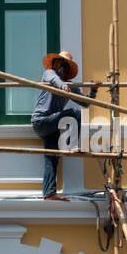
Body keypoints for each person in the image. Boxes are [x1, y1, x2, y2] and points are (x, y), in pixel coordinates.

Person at [30, 50, 100, 202]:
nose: (61, 68)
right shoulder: (48, 75)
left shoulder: (70, 86)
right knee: (75, 113)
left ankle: (49, 192)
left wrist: (93, 90)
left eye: (64, 66)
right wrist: (63, 87)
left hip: (53, 126)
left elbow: (85, 103)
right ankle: (71, 146)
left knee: (52, 158)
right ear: (54, 64)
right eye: (60, 64)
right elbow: (55, 80)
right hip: (41, 121)